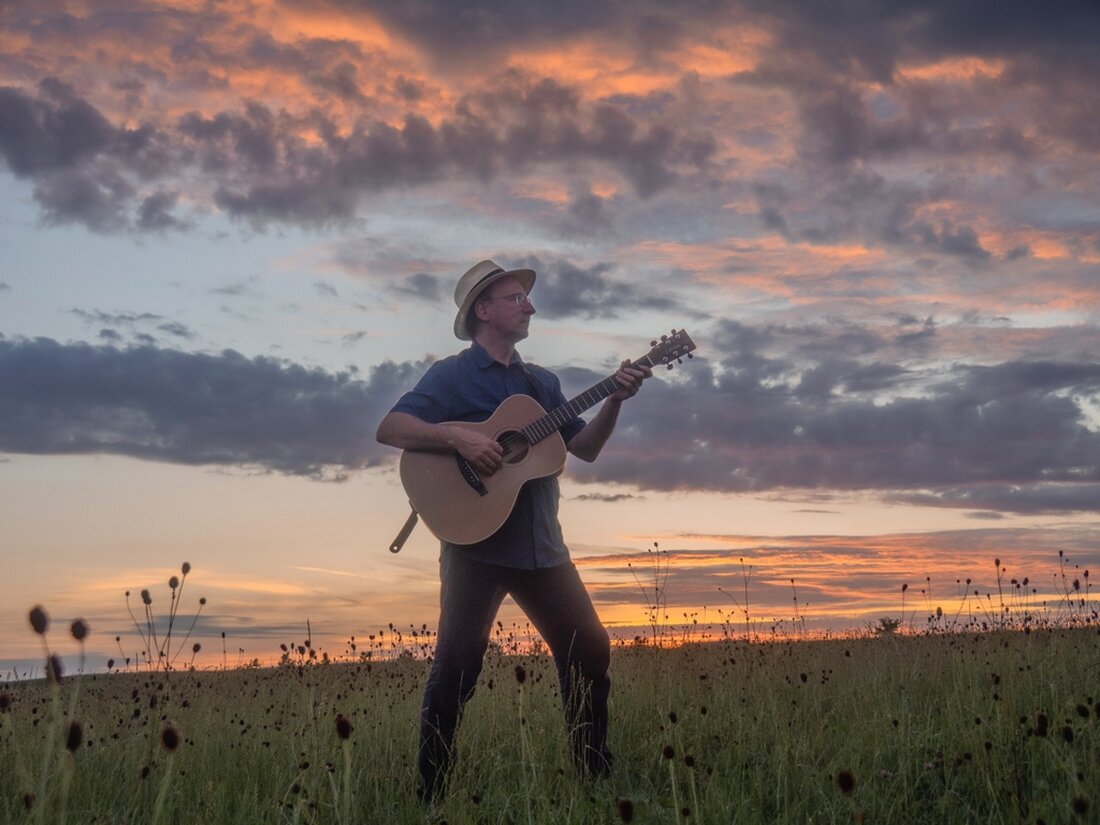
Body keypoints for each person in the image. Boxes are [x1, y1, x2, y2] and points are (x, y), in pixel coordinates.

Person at [375, 259, 650, 801]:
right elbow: (391, 427)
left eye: (526, 298)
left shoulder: (539, 383)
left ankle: (594, 778)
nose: (529, 305)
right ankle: (432, 793)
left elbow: (585, 448)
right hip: (474, 543)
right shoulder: (451, 375)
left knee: (589, 650)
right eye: (515, 297)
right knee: (458, 663)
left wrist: (615, 400)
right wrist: (457, 436)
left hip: (541, 546)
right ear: (484, 310)